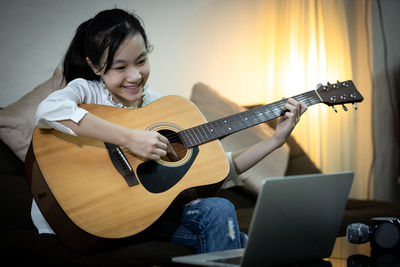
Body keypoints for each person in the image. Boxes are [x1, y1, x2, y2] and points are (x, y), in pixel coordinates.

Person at [32, 8, 307, 254]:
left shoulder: (163, 108)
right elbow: (48, 111)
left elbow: (219, 169)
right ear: (94, 66)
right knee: (243, 244)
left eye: (141, 61)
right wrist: (129, 138)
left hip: (147, 218)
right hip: (89, 217)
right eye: (120, 67)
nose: (135, 76)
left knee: (220, 210)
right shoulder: (88, 92)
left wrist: (275, 140)